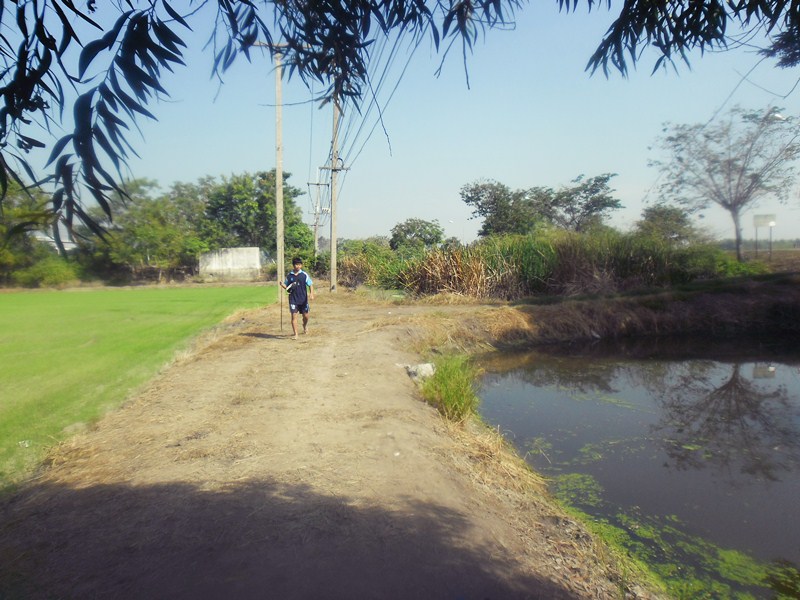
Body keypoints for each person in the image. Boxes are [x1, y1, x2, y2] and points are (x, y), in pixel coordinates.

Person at [280, 257, 315, 339]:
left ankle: (305, 325)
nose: (298, 266)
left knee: (306, 316)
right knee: (293, 316)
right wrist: (282, 285)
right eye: (296, 264)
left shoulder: (304, 275)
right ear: (293, 265)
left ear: (301, 265)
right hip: (293, 299)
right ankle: (296, 334)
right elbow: (287, 287)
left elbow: (310, 285)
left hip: (303, 299)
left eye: (299, 265)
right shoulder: (289, 275)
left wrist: (311, 294)